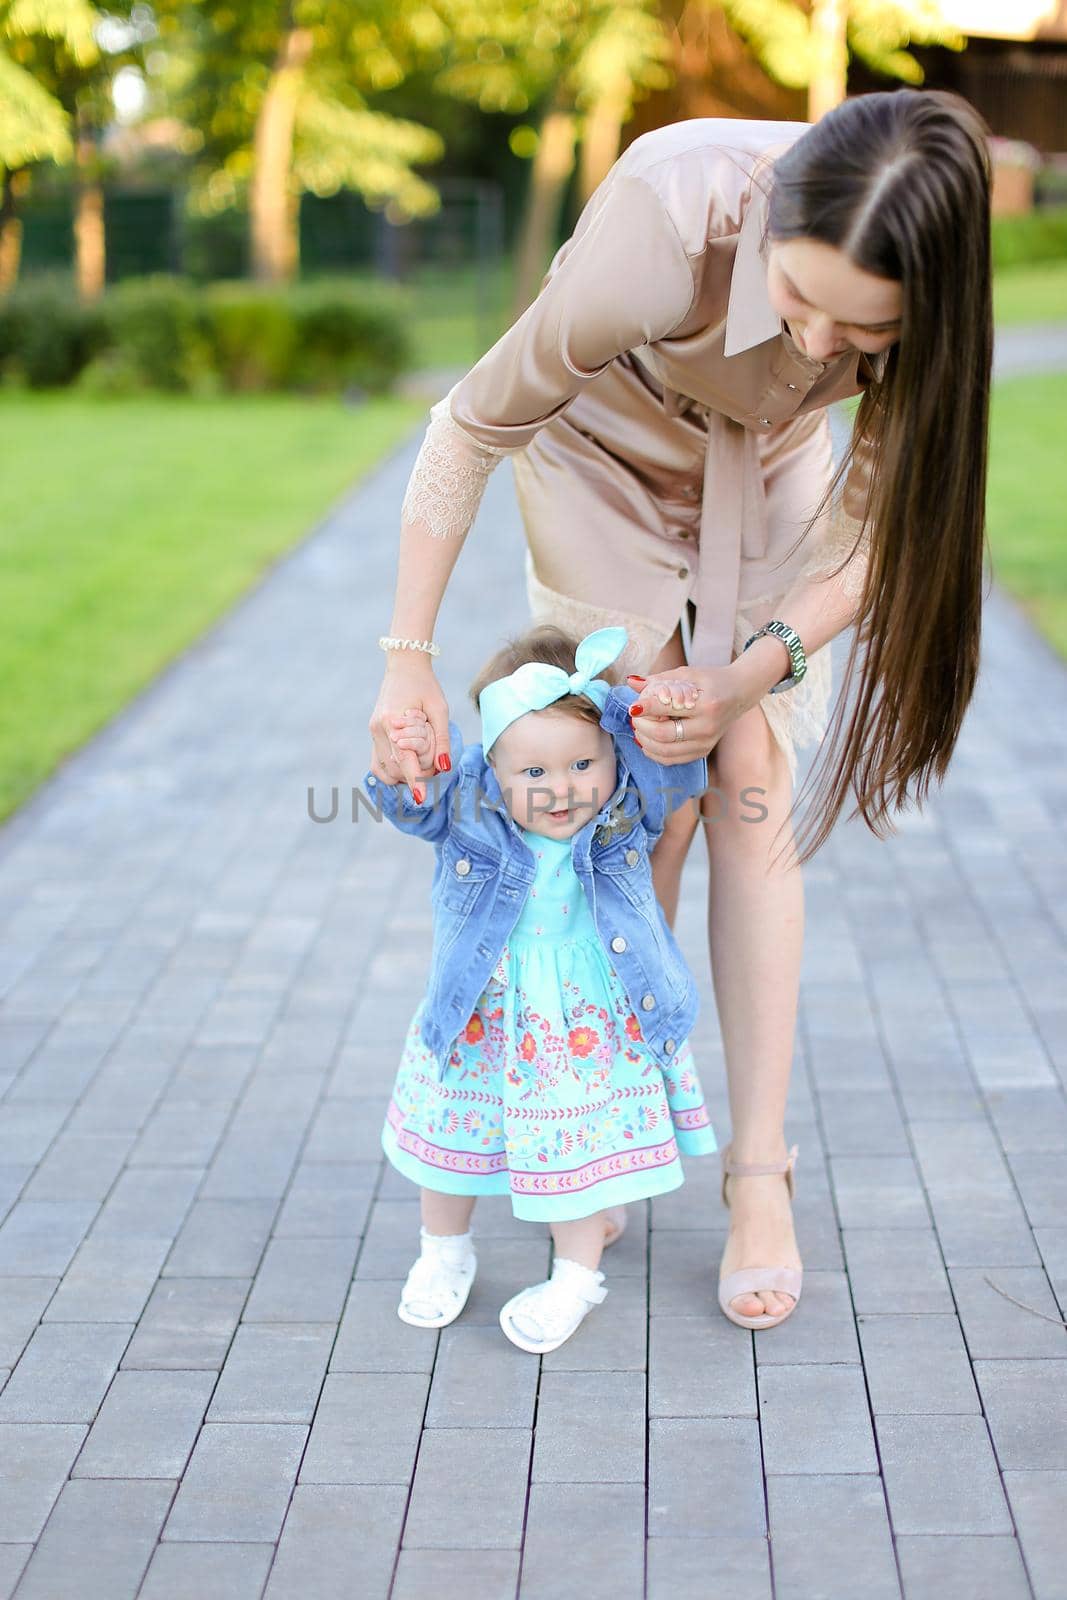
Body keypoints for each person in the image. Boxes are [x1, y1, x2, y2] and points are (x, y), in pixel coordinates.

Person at [369, 90, 993, 1330]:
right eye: (795, 298)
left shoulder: (917, 318)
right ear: (769, 225)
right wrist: (406, 656)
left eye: (860, 331)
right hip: (598, 446)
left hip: (763, 470)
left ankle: (756, 1170)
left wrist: (750, 671)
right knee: (646, 772)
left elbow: (877, 543)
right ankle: (590, 1115)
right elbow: (468, 429)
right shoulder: (664, 224)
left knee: (743, 768)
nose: (817, 344)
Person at [364, 624, 717, 1353]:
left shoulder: (622, 808)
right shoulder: (467, 806)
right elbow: (411, 804)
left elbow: (673, 777)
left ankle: (575, 1277)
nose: (561, 790)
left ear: (613, 756)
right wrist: (406, 760)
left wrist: (641, 713)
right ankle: (443, 1251)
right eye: (533, 775)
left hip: (586, 1021)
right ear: (490, 773)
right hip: (482, 1011)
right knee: (448, 1136)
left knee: (576, 1148)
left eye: (582, 762)